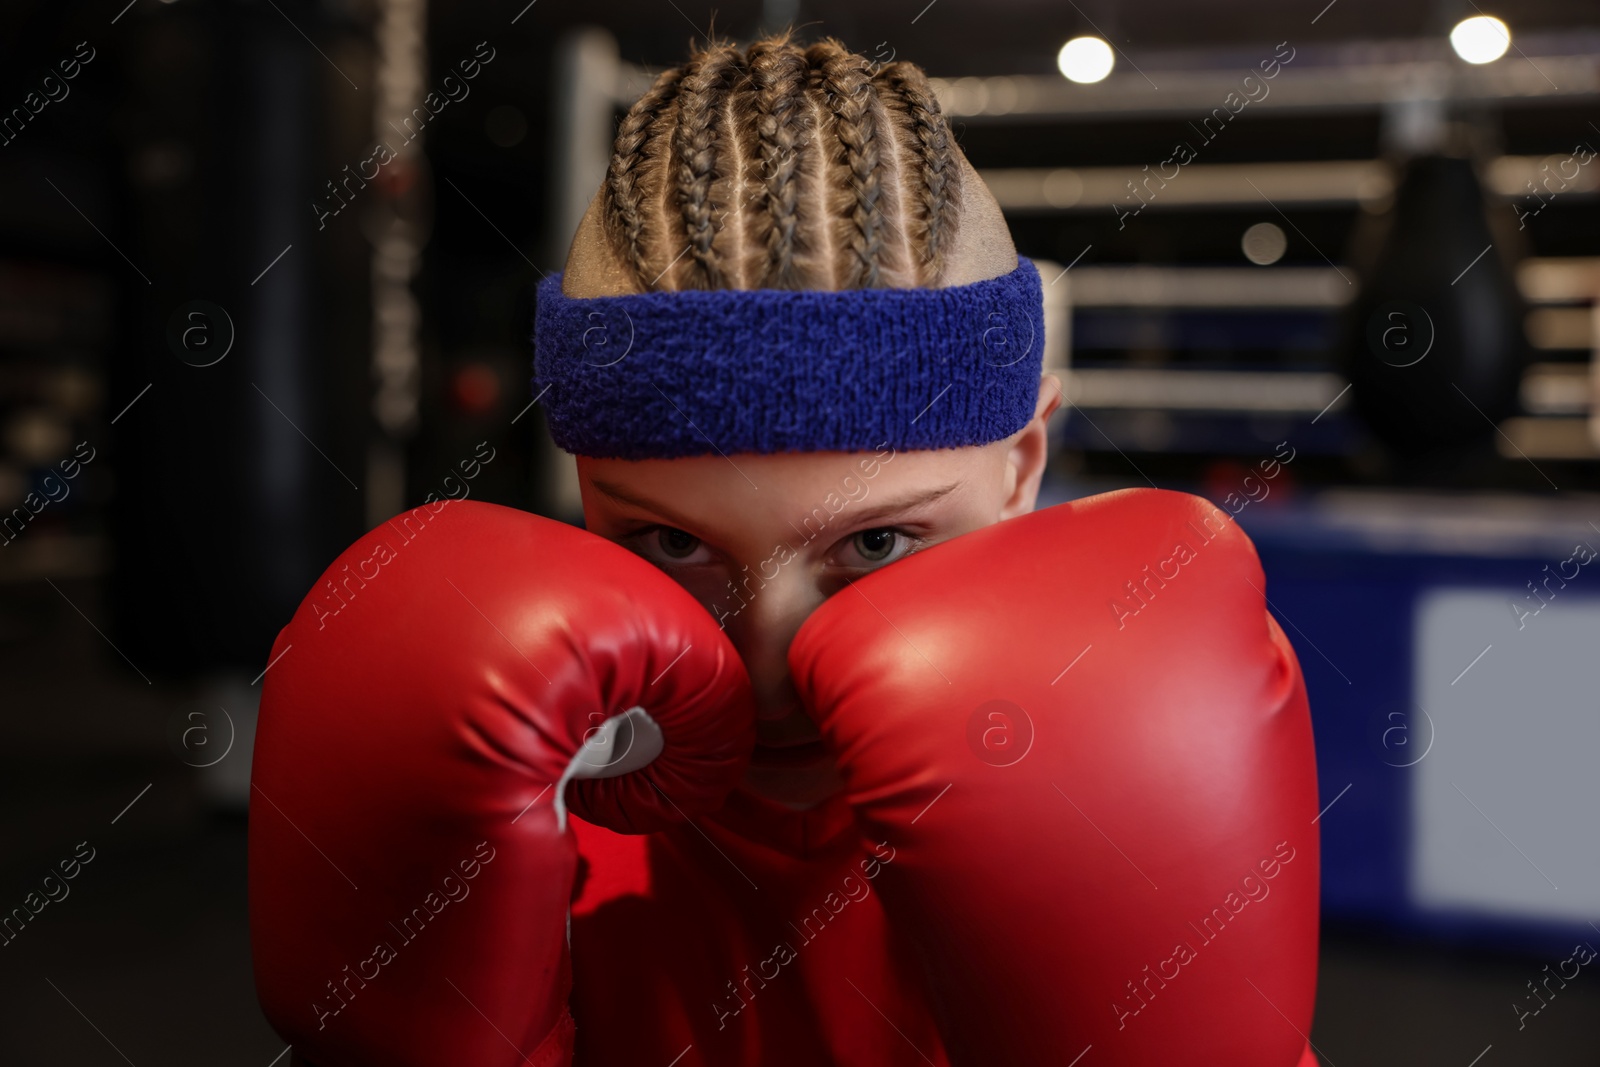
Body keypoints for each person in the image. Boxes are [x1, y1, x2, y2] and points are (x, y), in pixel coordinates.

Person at [249, 31, 1321, 1067]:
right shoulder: (500, 804)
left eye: (877, 540)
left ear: (1023, 461)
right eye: (673, 540)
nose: (766, 660)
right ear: (584, 485)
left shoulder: (1127, 780)